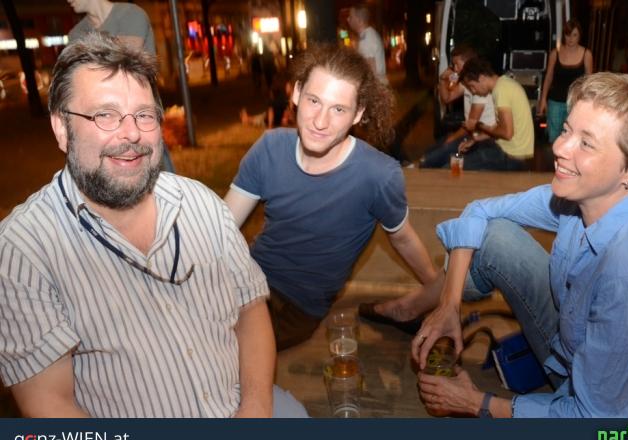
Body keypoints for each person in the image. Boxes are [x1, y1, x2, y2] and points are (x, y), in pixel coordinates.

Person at [0, 34, 306, 418]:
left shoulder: (202, 204)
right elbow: (51, 405)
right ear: (62, 128)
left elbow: (251, 310)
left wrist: (256, 409)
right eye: (105, 115)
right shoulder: (22, 253)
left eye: (144, 115)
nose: (131, 134)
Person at [409, 72, 628, 417]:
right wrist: (449, 304)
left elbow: (593, 419)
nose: (560, 148)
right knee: (492, 236)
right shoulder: (588, 194)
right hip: (573, 349)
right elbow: (479, 210)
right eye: (566, 130)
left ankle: (412, 309)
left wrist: (476, 402)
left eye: (586, 143)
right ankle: (425, 308)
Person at [225, 43, 437, 350]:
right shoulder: (270, 148)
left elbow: (402, 238)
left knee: (222, 348)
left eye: (338, 109)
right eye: (314, 100)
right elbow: (222, 228)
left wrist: (437, 288)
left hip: (295, 305)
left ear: (358, 114)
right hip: (245, 276)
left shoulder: (378, 175)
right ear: (296, 93)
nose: (320, 121)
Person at [66, 0, 176, 173]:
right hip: (101, 123)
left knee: (157, 173)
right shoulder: (77, 33)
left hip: (140, 118)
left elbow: (124, 67)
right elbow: (74, 80)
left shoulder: (131, 15)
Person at [420, 45, 496, 169]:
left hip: (483, 137)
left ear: (467, 63)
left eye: (457, 64)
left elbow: (471, 124)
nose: (454, 69)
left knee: (434, 159)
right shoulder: (466, 83)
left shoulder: (478, 87)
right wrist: (442, 80)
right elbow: (447, 98)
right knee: (430, 151)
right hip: (472, 133)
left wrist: (451, 139)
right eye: (453, 65)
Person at [454, 57, 534, 171]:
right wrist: (476, 139)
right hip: (513, 151)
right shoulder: (504, 84)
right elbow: (503, 128)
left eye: (472, 86)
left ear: (481, 78)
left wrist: (477, 125)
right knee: (469, 153)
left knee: (457, 165)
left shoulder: (500, 90)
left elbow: (507, 133)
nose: (473, 91)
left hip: (511, 155)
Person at [537, 19, 593, 144]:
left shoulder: (586, 54)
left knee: (572, 139)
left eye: (574, 35)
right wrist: (543, 99)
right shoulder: (555, 53)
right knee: (554, 138)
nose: (571, 39)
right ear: (564, 35)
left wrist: (588, 103)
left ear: (580, 36)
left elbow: (589, 82)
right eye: (568, 35)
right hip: (555, 102)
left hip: (575, 103)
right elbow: (548, 77)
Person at [347, 4, 387, 84]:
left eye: (351, 17)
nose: (348, 19)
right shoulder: (369, 34)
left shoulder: (367, 38)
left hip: (376, 85)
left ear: (359, 21)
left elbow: (371, 70)